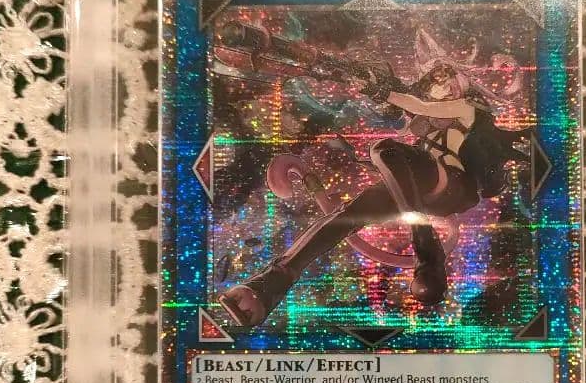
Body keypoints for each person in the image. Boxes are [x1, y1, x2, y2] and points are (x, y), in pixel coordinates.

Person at [219, 37, 526, 328]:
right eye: (435, 80)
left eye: (446, 77)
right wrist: (367, 84)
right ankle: (269, 285)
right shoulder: (423, 120)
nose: (441, 84)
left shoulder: (467, 108)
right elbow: (402, 105)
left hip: (452, 185)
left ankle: (426, 247)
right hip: (416, 187)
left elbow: (418, 105)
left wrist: (383, 91)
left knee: (385, 149)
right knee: (347, 217)